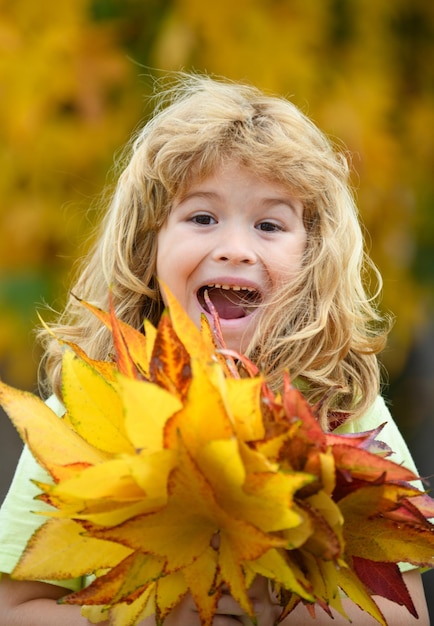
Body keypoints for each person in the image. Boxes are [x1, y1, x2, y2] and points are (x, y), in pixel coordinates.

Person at [0, 73, 429, 625]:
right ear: (147, 246)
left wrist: (274, 609)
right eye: (202, 217)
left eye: (270, 224)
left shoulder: (341, 408)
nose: (234, 249)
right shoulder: (90, 415)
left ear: (312, 258)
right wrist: (155, 617)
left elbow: (407, 614)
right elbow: (14, 608)